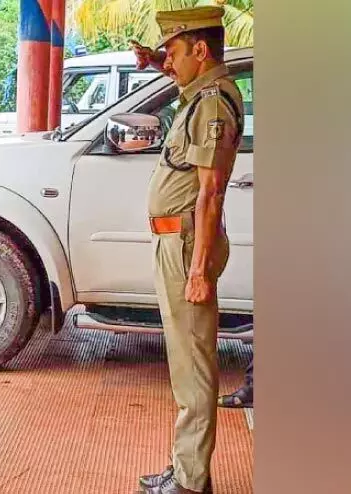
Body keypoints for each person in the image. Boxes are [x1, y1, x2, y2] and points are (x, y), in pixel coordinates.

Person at [131, 6, 245, 494]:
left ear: (200, 51)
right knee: (184, 364)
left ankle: (191, 482)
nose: (167, 62)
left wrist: (197, 269)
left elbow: (211, 192)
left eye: (173, 52)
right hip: (176, 243)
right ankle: (185, 468)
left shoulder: (212, 104)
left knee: (193, 369)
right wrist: (160, 63)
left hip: (186, 248)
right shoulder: (199, 96)